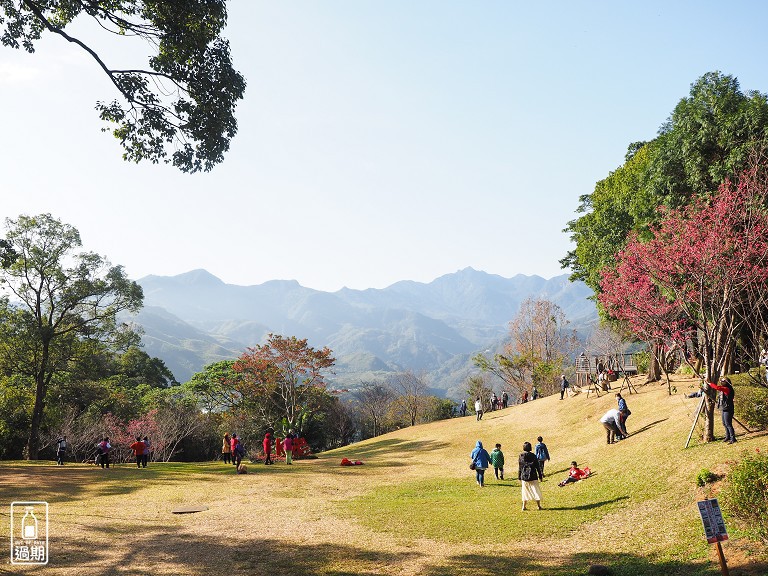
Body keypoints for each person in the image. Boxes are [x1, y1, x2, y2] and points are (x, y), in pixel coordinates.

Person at [708, 377, 737, 444]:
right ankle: (728, 436)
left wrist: (709, 383)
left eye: (723, 381)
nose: (721, 381)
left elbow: (717, 388)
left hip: (728, 409)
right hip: (724, 408)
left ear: (727, 382)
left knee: (728, 424)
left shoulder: (727, 389)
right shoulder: (725, 388)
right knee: (724, 423)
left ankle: (733, 438)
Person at [518, 442, 543, 510]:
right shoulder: (533, 456)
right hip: (533, 475)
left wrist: (519, 476)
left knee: (525, 491)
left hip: (524, 476)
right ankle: (538, 506)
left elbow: (520, 467)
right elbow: (537, 467)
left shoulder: (521, 455)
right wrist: (540, 476)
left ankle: (524, 506)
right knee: (536, 490)